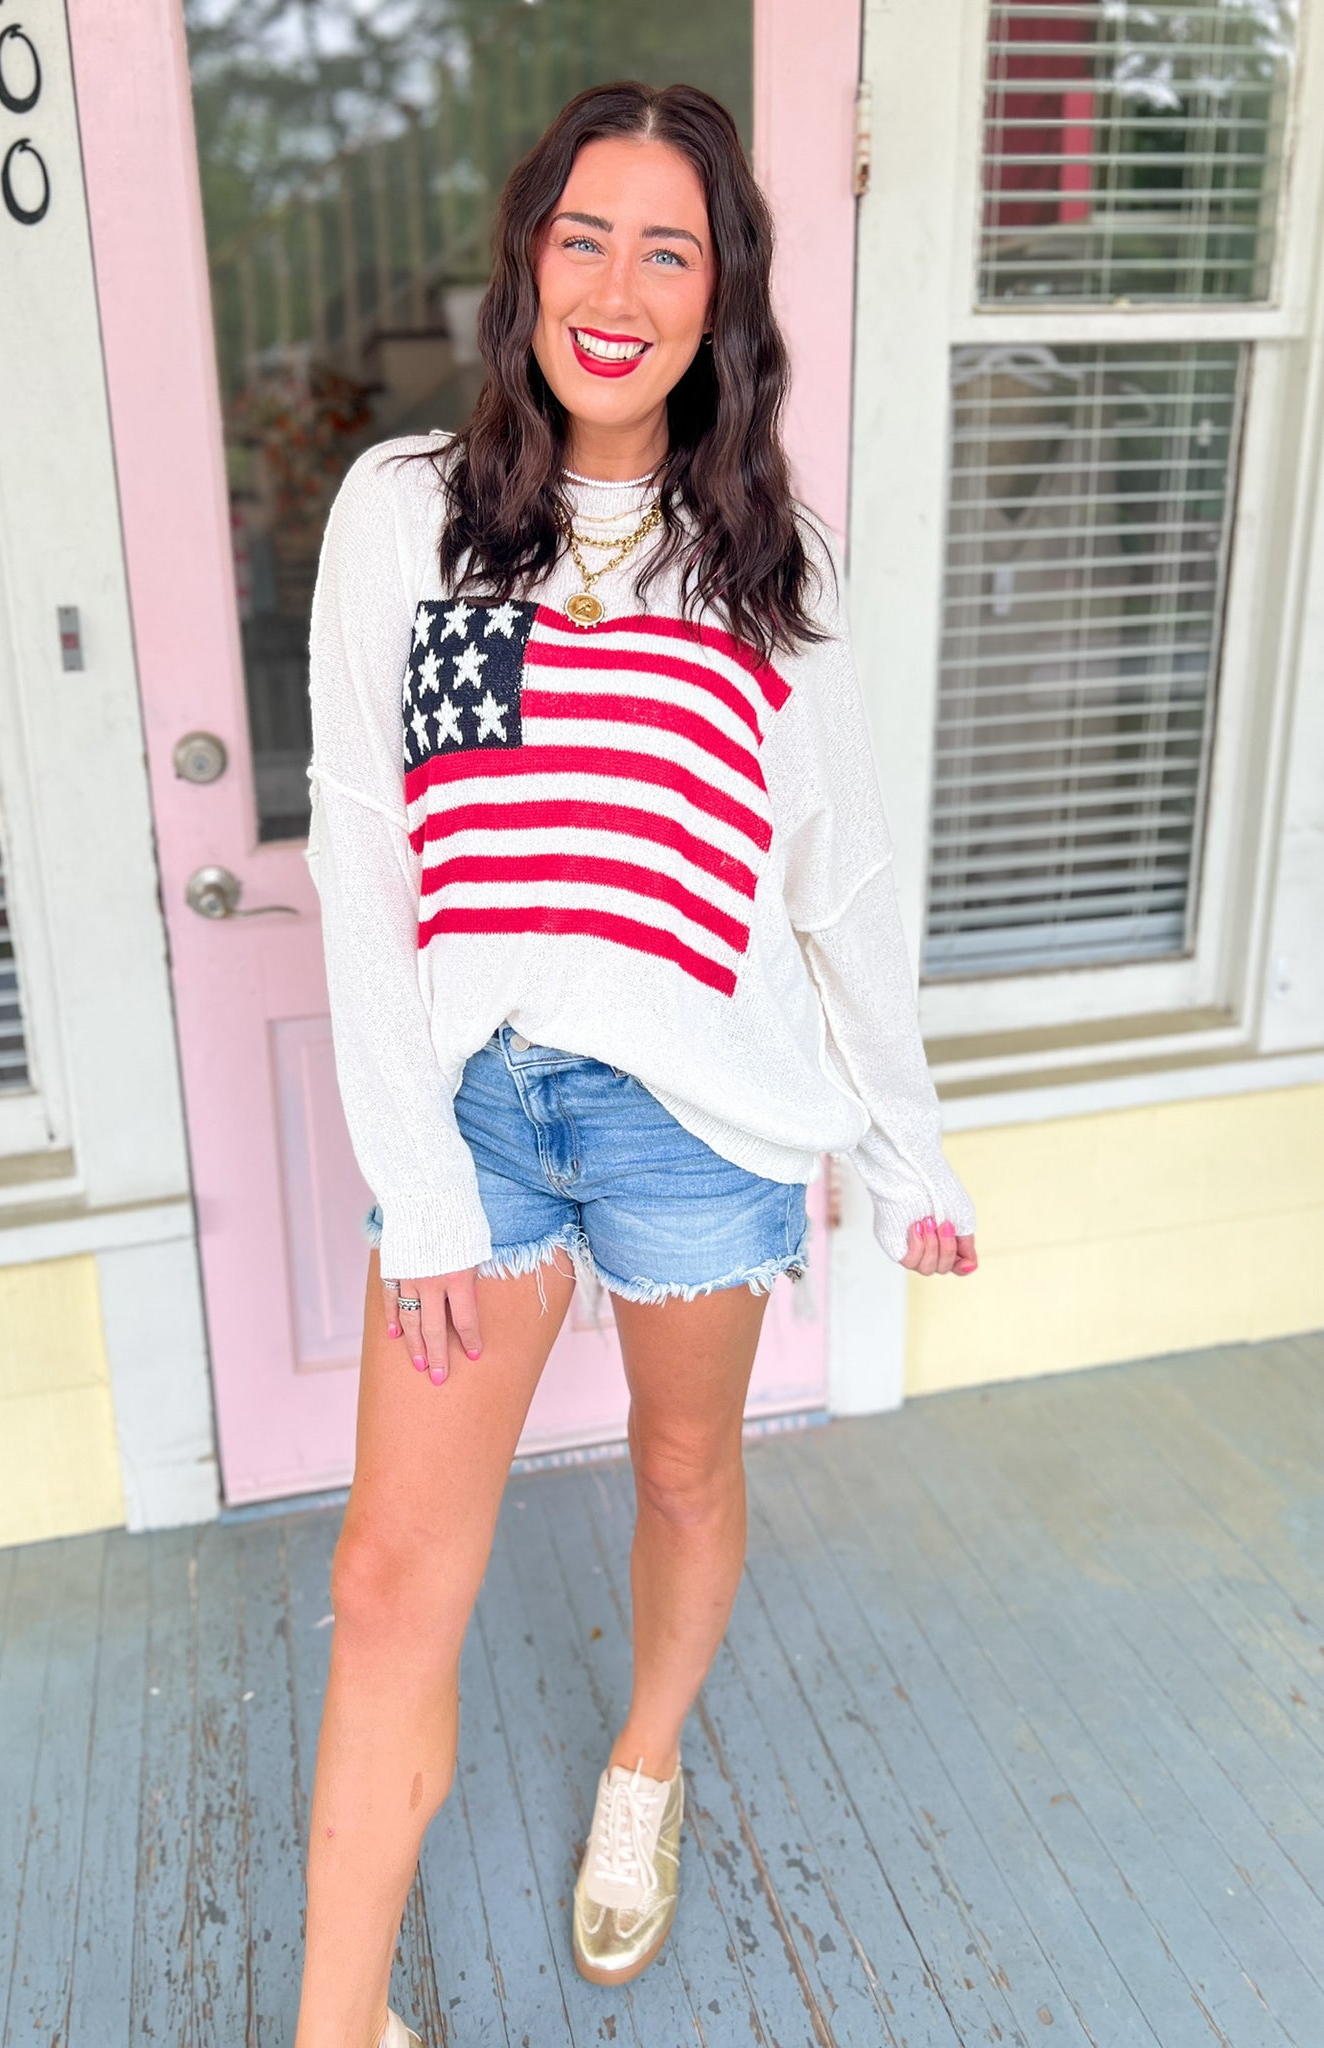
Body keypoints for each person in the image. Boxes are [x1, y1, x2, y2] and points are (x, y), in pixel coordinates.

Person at [298, 78, 978, 2048]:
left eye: (665, 252)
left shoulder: (769, 564)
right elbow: (363, 857)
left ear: (717, 300)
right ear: (525, 263)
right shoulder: (407, 514)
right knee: (384, 1581)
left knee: (682, 1472)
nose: (614, 290)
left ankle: (643, 1765)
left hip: (701, 1118)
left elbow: (841, 884)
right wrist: (421, 1188)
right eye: (580, 238)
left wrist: (907, 1145)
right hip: (478, 1120)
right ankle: (335, 2028)